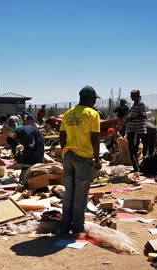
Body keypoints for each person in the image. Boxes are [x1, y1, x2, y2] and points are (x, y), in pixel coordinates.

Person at [59, 86, 101, 236]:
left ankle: (64, 225)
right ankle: (77, 227)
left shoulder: (68, 114)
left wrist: (65, 152)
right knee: (80, 194)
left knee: (69, 192)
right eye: (94, 99)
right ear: (89, 99)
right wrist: (97, 159)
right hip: (83, 158)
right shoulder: (92, 114)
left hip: (68, 156)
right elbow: (95, 138)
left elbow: (62, 136)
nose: (95, 102)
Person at [125, 89, 147, 172]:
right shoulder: (134, 104)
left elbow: (144, 116)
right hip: (132, 130)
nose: (131, 97)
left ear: (137, 95)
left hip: (136, 131)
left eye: (133, 95)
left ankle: (136, 168)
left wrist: (132, 118)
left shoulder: (140, 104)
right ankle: (136, 167)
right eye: (131, 95)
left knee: (133, 150)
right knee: (132, 150)